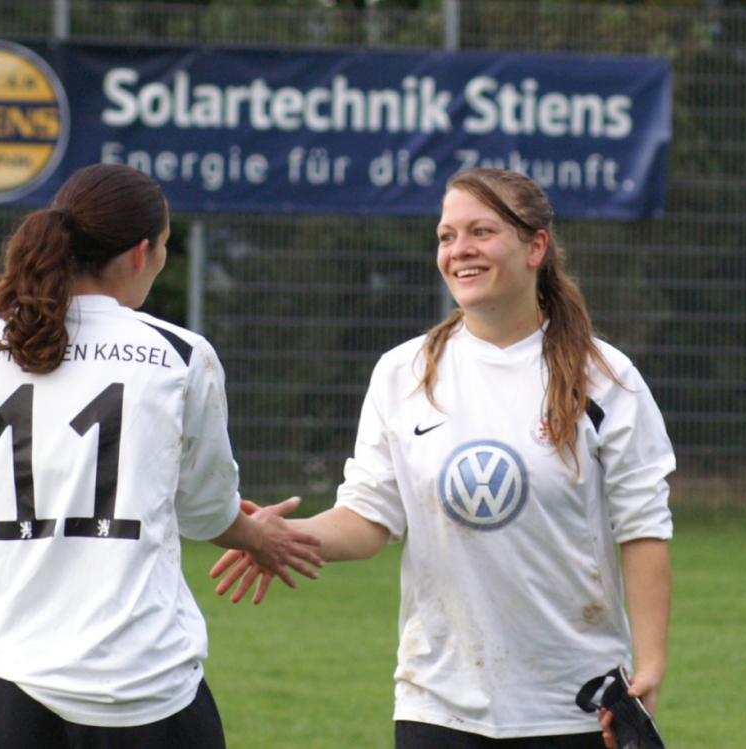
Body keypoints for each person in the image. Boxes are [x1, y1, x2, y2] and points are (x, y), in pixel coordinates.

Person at [213, 167, 674, 749]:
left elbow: (643, 529)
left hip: (577, 705)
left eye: (481, 231)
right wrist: (280, 535)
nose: (460, 251)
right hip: (438, 705)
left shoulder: (605, 378)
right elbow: (368, 518)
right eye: (446, 235)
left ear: (536, 247)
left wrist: (650, 666)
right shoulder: (402, 373)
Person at [0, 163, 322, 749]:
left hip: (10, 686)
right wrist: (259, 537)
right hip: (142, 683)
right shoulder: (179, 356)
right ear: (142, 252)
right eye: (168, 247)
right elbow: (206, 515)